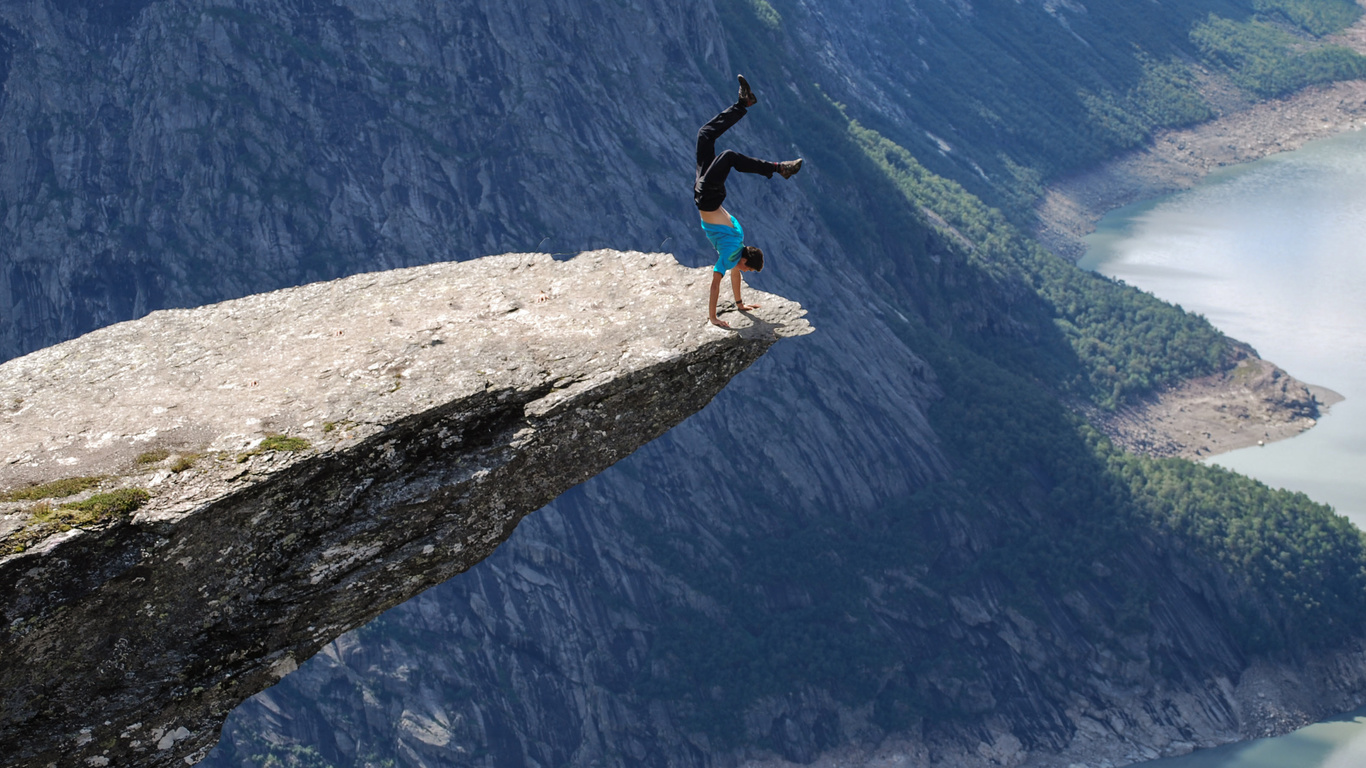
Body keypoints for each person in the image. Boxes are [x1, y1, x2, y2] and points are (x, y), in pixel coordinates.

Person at [695, 75, 802, 328]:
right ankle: (778, 168)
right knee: (728, 154)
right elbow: (715, 284)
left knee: (704, 136)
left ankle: (743, 104)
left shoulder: (738, 244)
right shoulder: (731, 255)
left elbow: (733, 275)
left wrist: (740, 304)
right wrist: (713, 317)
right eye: (749, 270)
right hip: (708, 195)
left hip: (711, 195)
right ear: (745, 261)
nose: (744, 273)